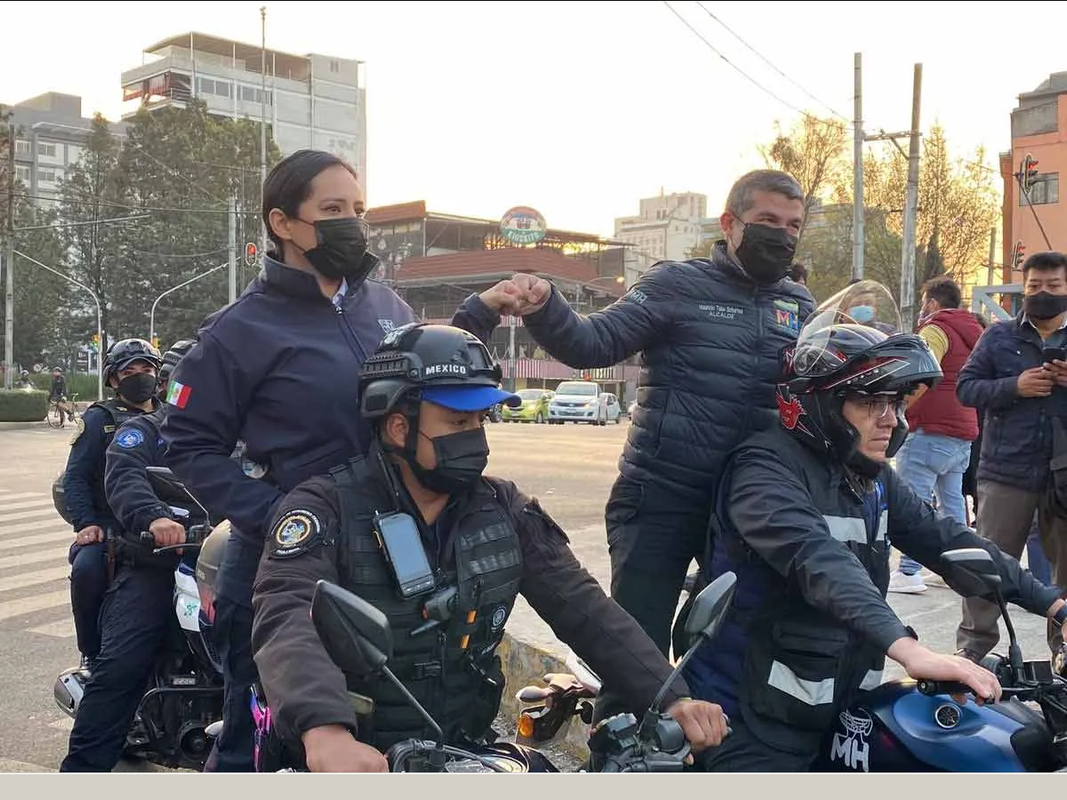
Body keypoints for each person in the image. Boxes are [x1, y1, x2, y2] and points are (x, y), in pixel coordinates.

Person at [161, 149, 525, 772]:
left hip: (392, 556)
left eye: (357, 208)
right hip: (285, 567)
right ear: (283, 222)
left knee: (392, 733)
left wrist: (479, 315)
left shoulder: (385, 307)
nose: (352, 223)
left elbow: (421, 376)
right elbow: (188, 444)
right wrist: (278, 514)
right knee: (262, 742)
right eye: (332, 209)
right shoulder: (238, 330)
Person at [250, 323, 729, 772]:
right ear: (398, 427)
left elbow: (585, 609)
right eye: (458, 421)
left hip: (465, 755)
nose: (475, 438)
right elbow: (287, 613)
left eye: (481, 420)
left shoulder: (504, 509)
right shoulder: (325, 508)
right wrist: (324, 730)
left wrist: (671, 696)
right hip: (350, 761)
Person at [681, 282, 1067, 772]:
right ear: (820, 403)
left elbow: (946, 538)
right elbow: (820, 562)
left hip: (837, 710)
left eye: (895, 402)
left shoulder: (870, 476)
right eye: (870, 402)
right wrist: (910, 650)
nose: (890, 420)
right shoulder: (762, 471)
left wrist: (1054, 605)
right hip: (746, 719)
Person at [505, 169, 815, 677]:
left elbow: (810, 398)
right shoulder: (676, 283)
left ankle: (704, 728)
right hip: (659, 499)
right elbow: (593, 343)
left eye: (792, 225)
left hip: (744, 509)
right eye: (767, 220)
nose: (781, 234)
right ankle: (620, 730)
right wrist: (545, 307)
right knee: (636, 656)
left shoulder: (798, 305)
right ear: (730, 223)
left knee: (726, 651)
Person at [60, 339, 196, 772]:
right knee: (119, 665)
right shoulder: (140, 430)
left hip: (226, 561)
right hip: (151, 552)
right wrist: (151, 516)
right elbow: (122, 474)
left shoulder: (238, 436)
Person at [955, 251, 1067, 662]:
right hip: (1006, 472)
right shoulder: (998, 336)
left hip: (1063, 476)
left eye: (1053, 286)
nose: (1043, 293)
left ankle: (1064, 651)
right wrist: (1013, 386)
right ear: (1024, 288)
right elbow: (966, 388)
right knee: (986, 564)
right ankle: (972, 651)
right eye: (1034, 286)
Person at [62, 338, 163, 672]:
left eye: (146, 368)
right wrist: (86, 523)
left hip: (169, 524)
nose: (140, 376)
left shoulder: (173, 416)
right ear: (114, 379)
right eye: (129, 371)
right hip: (111, 527)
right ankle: (92, 653)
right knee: (87, 570)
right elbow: (75, 477)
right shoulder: (99, 419)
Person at [890, 276, 985, 594]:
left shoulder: (935, 329)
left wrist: (899, 408)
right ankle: (957, 569)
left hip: (929, 428)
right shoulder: (975, 332)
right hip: (963, 429)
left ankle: (909, 570)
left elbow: (921, 373)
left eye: (923, 302)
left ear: (931, 302)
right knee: (952, 503)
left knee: (914, 503)